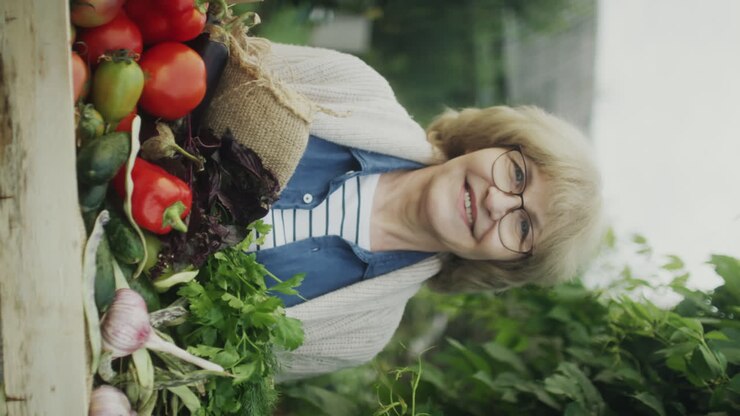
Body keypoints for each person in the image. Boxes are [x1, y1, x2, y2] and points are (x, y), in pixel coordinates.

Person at [250, 43, 604, 382]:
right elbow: (217, 51)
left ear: (504, 263)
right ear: (489, 143)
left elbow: (216, 373)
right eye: (517, 174)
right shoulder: (352, 84)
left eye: (524, 227)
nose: (496, 203)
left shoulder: (361, 334)